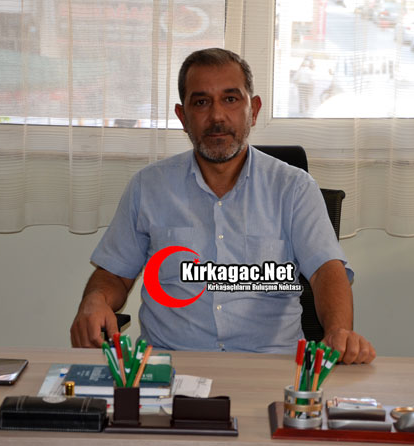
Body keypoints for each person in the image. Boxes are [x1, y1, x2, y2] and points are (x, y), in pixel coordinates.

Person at [71, 48, 375, 364]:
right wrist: (95, 300)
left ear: (253, 110)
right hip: (169, 365)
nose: (217, 116)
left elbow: (326, 271)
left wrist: (339, 331)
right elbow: (115, 275)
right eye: (201, 102)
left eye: (230, 99)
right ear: (183, 117)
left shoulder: (294, 188)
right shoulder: (148, 187)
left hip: (270, 366)